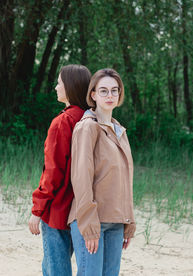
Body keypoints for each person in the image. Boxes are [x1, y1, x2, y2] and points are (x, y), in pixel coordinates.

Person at [68, 68, 136, 276]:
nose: (110, 96)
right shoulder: (87, 128)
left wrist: (129, 221)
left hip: (115, 222)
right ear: (93, 95)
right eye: (104, 91)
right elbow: (81, 178)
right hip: (91, 221)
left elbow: (125, 180)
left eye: (114, 91)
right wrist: (88, 224)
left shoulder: (119, 131)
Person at [28, 64, 91, 276]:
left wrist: (37, 210)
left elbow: (52, 172)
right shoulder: (92, 119)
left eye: (59, 83)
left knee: (55, 270)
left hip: (57, 209)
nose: (55, 87)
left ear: (70, 87)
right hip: (81, 209)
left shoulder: (63, 121)